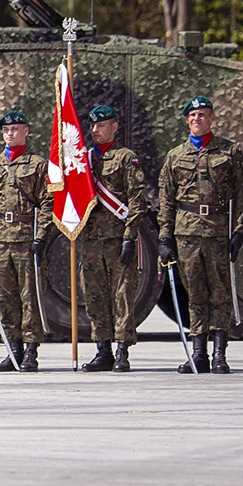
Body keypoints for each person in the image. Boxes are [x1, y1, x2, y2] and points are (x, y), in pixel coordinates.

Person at [157, 96, 243, 374]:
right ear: (187, 120)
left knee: (220, 293)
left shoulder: (230, 152)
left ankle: (219, 354)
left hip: (218, 230)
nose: (198, 119)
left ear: (212, 119)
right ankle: (198, 354)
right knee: (194, 293)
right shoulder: (175, 156)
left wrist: (239, 230)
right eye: (193, 115)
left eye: (203, 115)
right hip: (186, 233)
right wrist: (164, 238)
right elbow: (166, 199)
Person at [0, 111, 53, 372]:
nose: (10, 134)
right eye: (6, 131)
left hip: (26, 238)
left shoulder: (38, 165)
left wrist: (41, 237)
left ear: (26, 131)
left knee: (30, 297)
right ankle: (13, 349)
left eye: (15, 129)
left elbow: (48, 202)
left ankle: (30, 351)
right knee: (4, 297)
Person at [78, 105, 147, 372]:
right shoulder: (83, 161)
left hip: (118, 239)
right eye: (93, 126)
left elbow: (137, 202)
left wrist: (130, 236)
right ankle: (102, 350)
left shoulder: (126, 158)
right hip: (91, 240)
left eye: (102, 125)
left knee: (123, 296)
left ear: (114, 127)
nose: (96, 130)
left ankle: (122, 351)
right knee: (94, 296)